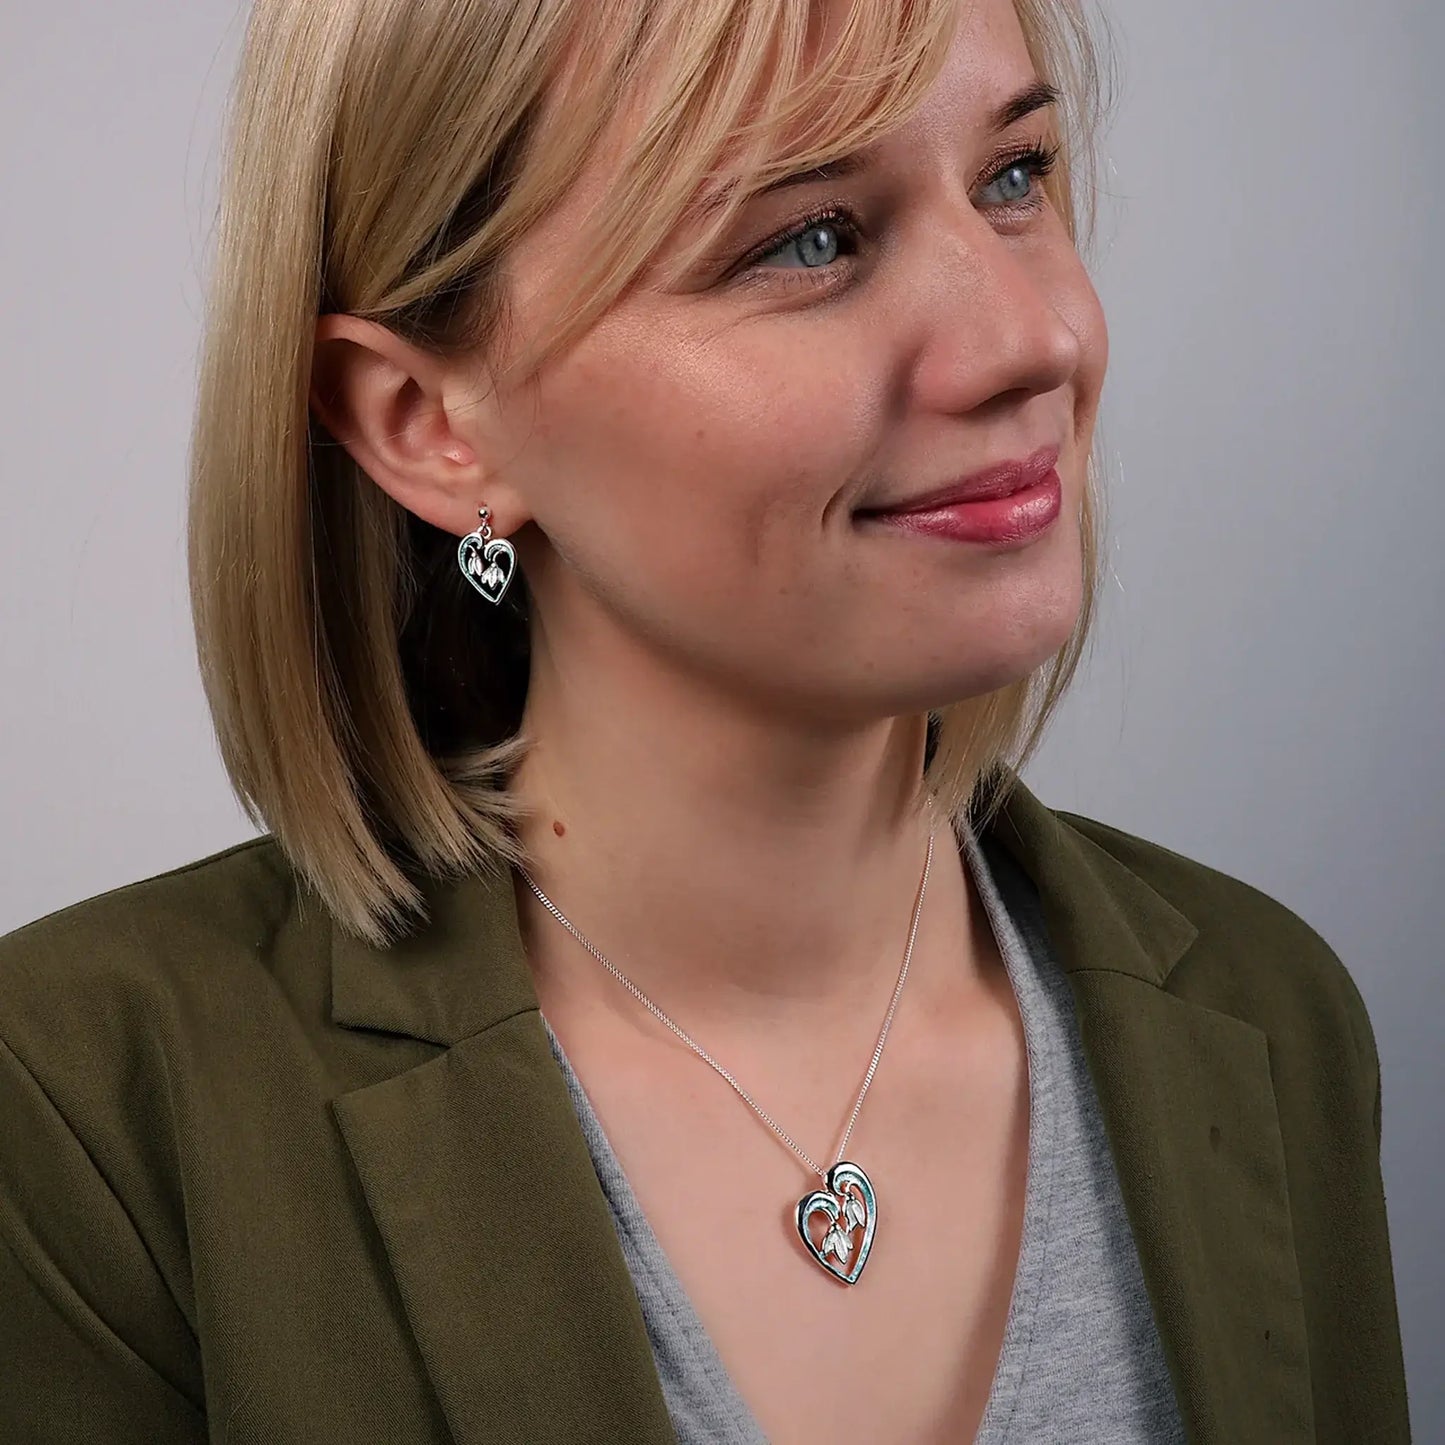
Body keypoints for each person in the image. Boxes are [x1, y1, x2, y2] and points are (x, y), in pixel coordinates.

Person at [0, 0, 1411, 1439]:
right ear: (427, 420)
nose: (1029, 336)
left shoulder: (1267, 1013)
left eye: (1012, 178)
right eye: (809, 239)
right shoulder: (87, 1110)